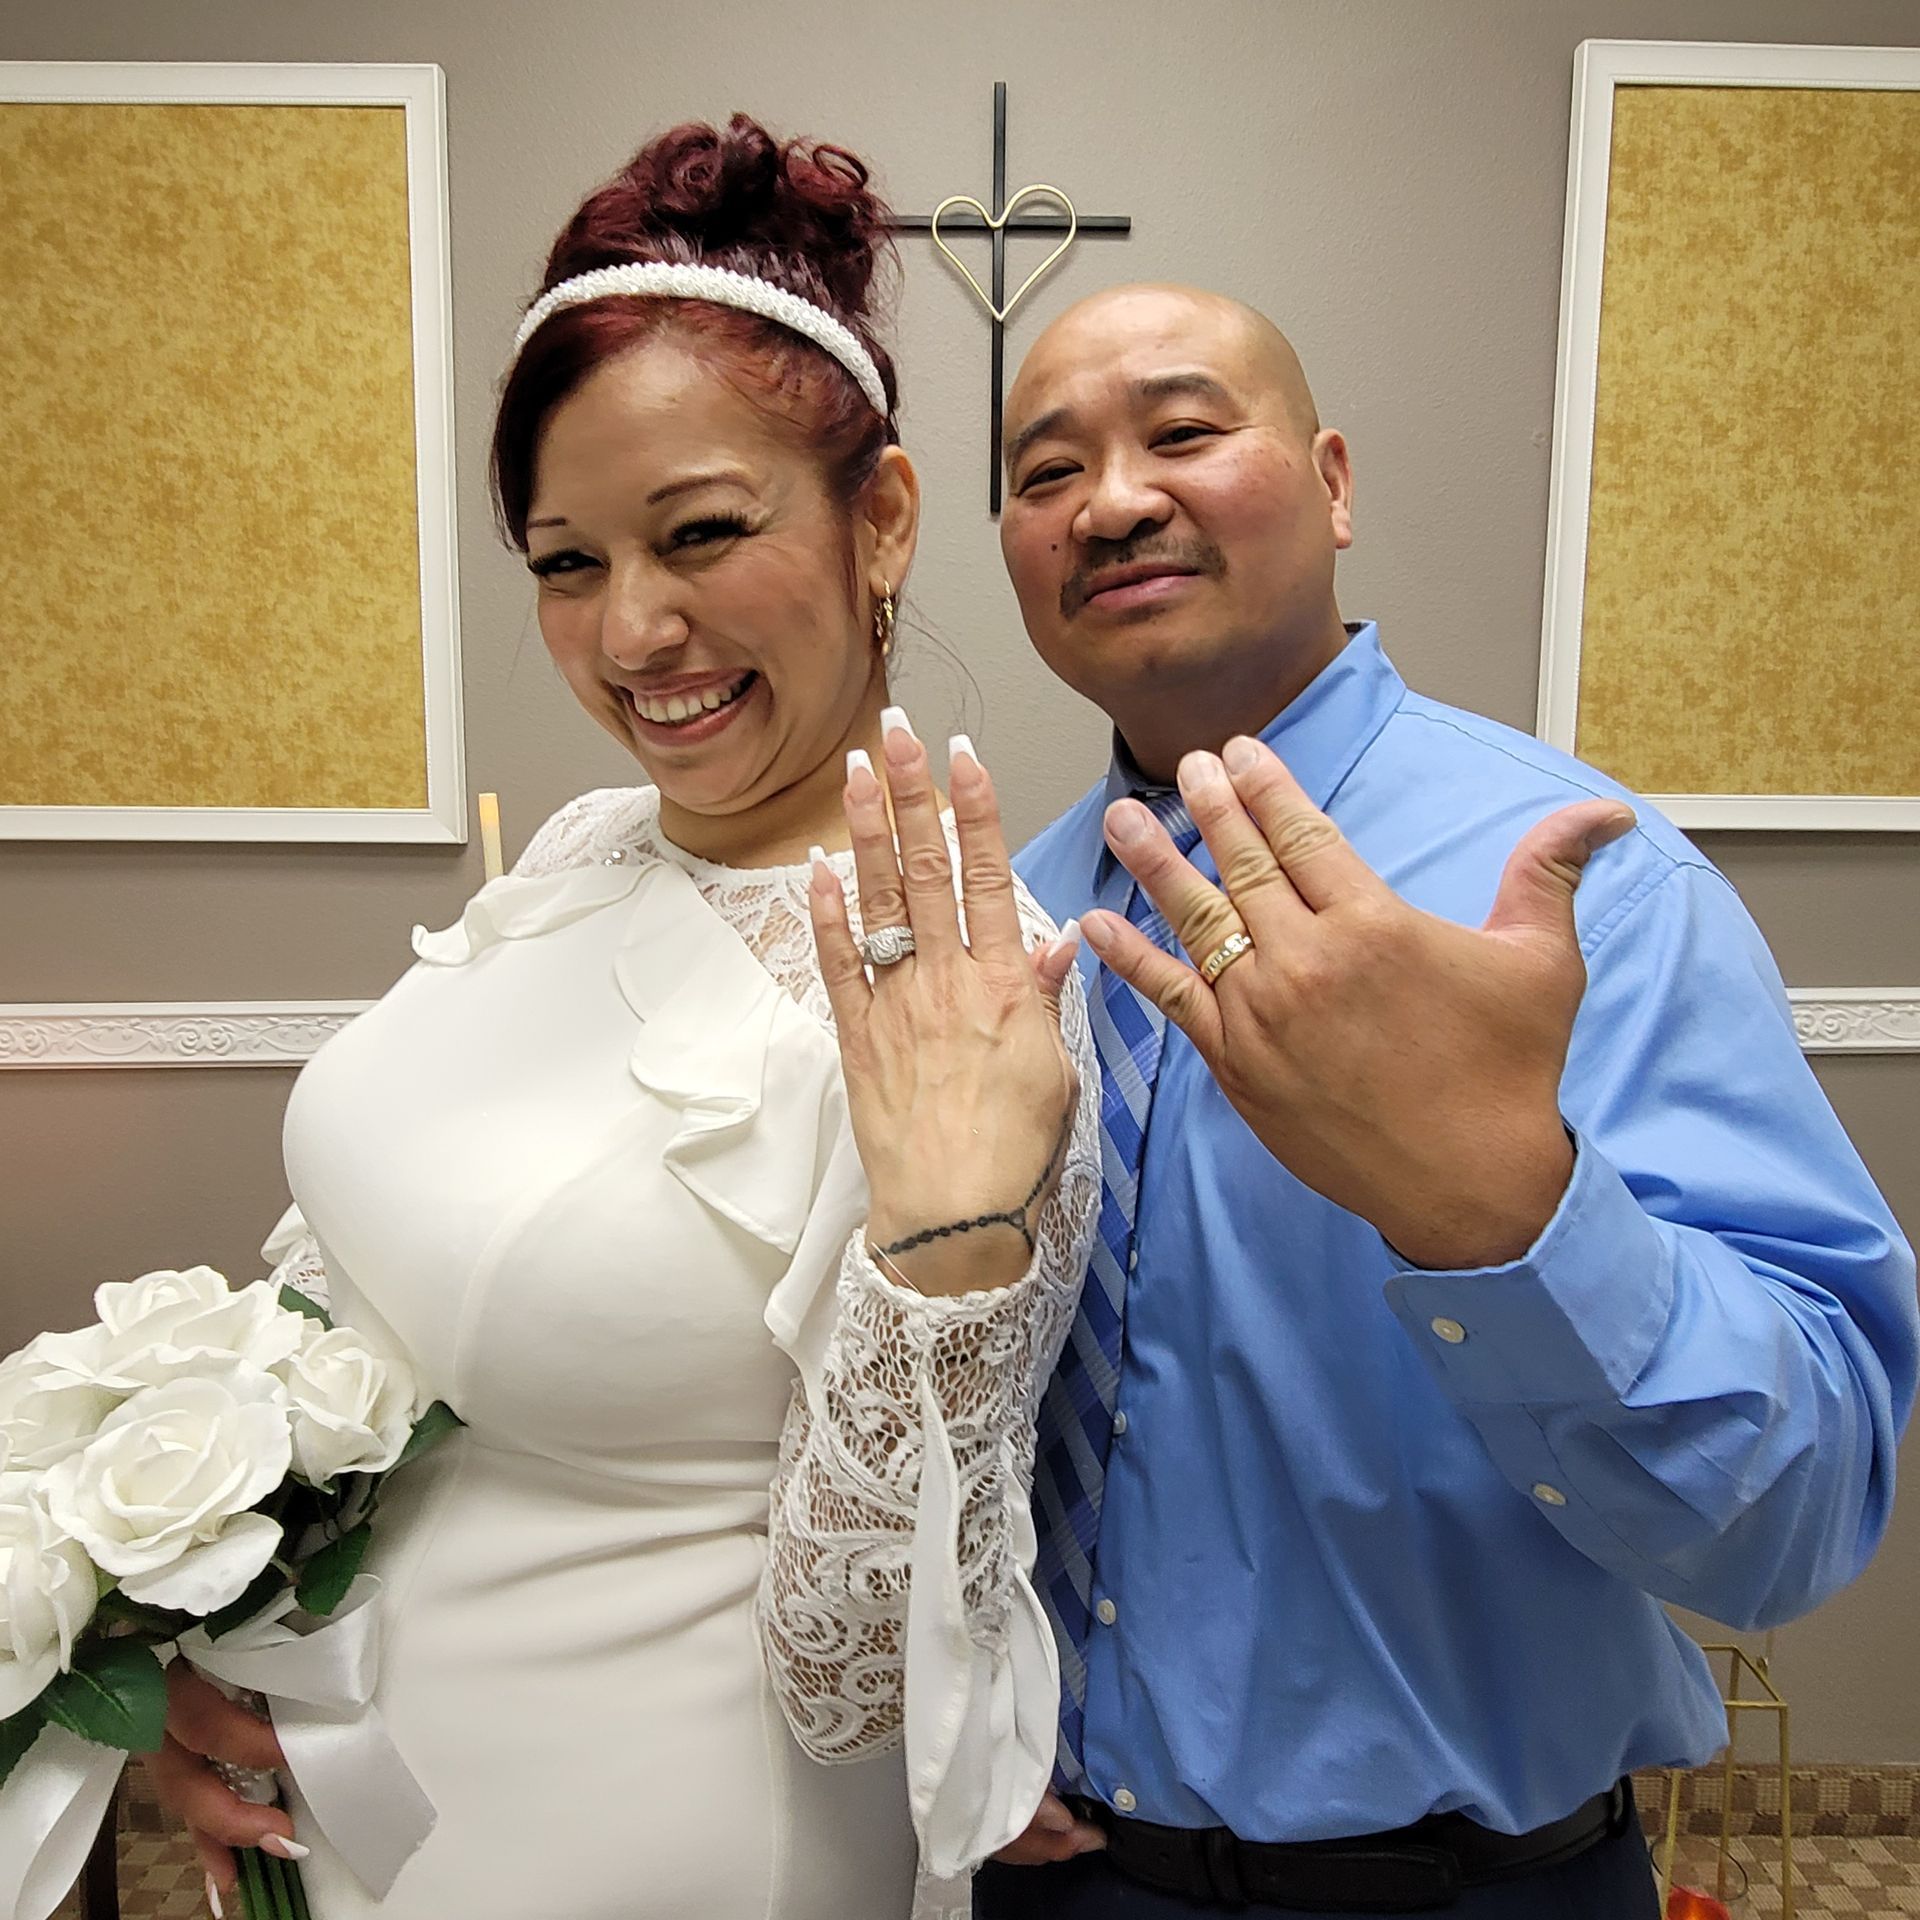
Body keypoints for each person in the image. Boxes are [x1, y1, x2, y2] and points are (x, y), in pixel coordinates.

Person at [146, 117, 1101, 1920]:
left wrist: (944, 1266)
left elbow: (856, 1697)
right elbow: (341, 1311)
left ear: (878, 516)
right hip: (359, 1812)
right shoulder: (589, 851)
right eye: (566, 561)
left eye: (704, 533)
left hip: (659, 1856)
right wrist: (192, 1627)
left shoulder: (970, 1001)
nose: (632, 632)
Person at [974, 283, 1918, 1918]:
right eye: (1048, 471)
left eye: (1185, 432)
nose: (1113, 501)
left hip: (1467, 1887)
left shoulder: (1579, 888)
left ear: (1333, 484)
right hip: (1061, 1882)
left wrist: (1504, 1211)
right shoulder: (1019, 920)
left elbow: (1799, 1520)